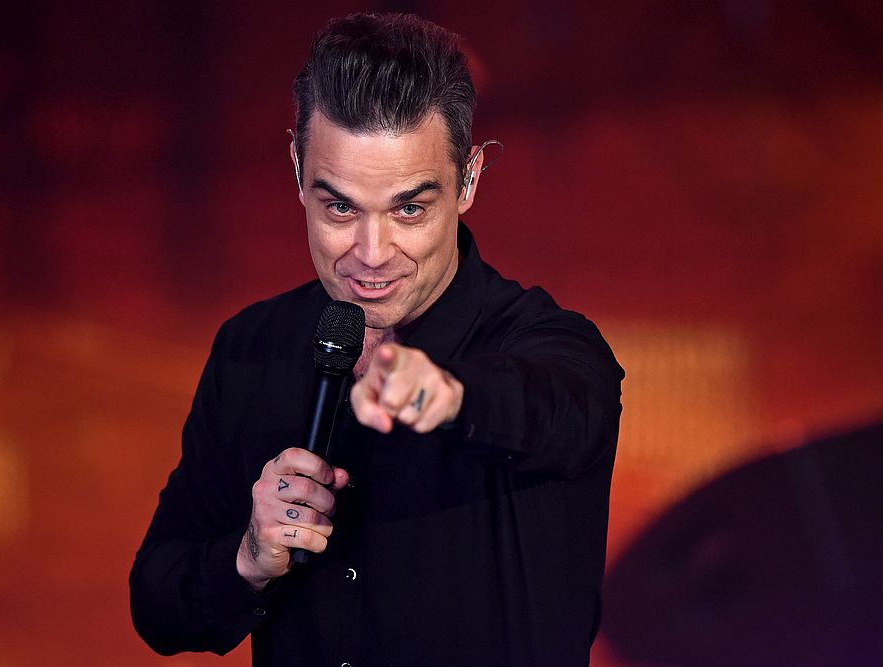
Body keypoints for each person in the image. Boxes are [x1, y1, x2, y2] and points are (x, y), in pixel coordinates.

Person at [130, 12, 623, 667]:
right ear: (297, 168)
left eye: (408, 209)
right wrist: (249, 556)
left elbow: (558, 409)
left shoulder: (553, 346)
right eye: (340, 207)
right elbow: (158, 605)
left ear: (469, 179)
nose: (371, 253)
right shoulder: (252, 347)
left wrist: (450, 397)